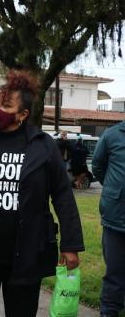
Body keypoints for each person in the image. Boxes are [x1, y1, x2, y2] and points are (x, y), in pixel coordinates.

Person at [0, 70, 84, 316]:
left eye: (6, 105)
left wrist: (71, 244)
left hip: (27, 254)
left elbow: (63, 195)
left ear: (23, 114)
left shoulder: (44, 146)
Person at [92, 124, 125, 317]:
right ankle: (109, 311)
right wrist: (115, 190)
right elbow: (98, 166)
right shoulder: (112, 134)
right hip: (116, 215)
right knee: (115, 271)